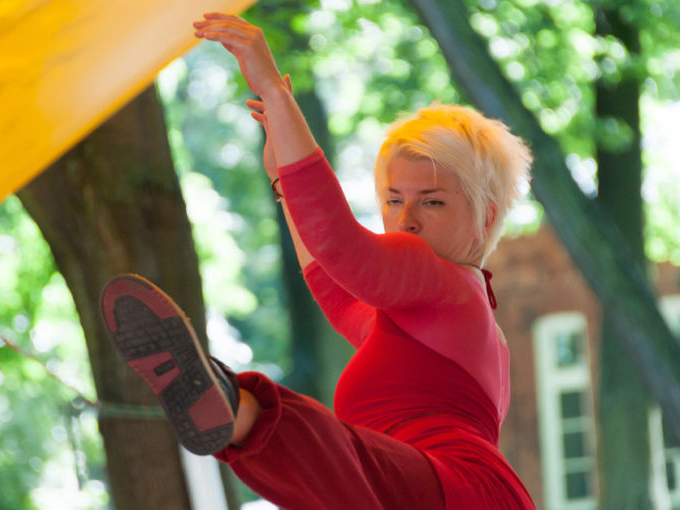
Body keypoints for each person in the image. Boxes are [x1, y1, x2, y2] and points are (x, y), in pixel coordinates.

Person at [100, 12, 536, 509]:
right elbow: (335, 283)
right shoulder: (447, 321)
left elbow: (340, 246)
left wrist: (275, 92)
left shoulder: (441, 280)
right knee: (344, 470)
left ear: (486, 218)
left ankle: (235, 408)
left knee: (339, 452)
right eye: (394, 199)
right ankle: (231, 409)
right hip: (443, 493)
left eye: (432, 201)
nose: (407, 220)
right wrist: (286, 182)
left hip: (452, 491)